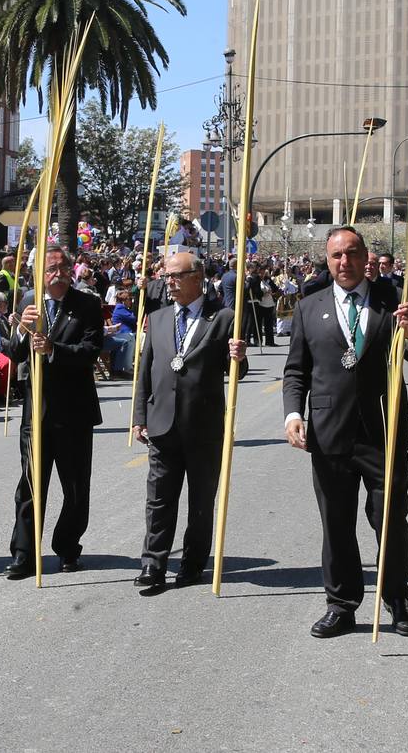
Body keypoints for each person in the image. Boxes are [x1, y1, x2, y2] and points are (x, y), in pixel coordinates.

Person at [283, 227, 408, 639]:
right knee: (336, 523)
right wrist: (293, 414)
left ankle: (397, 599)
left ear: (366, 257)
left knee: (389, 520)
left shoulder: (394, 301)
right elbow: (296, 370)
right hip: (329, 434)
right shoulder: (309, 307)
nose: (344, 263)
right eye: (335, 256)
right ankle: (341, 604)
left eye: (351, 254)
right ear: (326, 260)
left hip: (382, 429)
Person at [130, 251, 247, 591]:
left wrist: (237, 358)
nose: (169, 282)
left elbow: (237, 372)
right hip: (162, 423)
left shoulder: (224, 318)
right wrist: (139, 416)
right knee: (159, 499)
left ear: (197, 277)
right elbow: (146, 372)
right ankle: (152, 564)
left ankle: (193, 563)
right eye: (167, 276)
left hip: (204, 426)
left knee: (200, 501)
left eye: (176, 276)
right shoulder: (160, 317)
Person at [2, 246, 104, 579]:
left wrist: (54, 349)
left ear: (72, 270)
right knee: (30, 485)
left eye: (63, 268)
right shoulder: (29, 302)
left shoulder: (87, 304)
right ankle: (23, 552)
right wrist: (20, 329)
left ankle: (67, 546)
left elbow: (91, 350)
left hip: (74, 411)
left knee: (75, 488)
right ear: (39, 273)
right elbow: (15, 353)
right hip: (37, 412)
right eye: (50, 269)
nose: (57, 274)